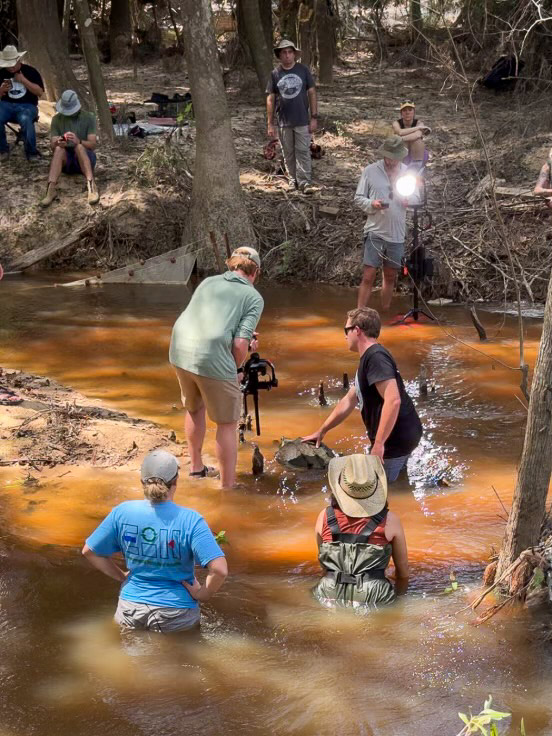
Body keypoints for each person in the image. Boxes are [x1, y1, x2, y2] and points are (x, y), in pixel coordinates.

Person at [82, 450, 228, 633]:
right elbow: (219, 570)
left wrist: (122, 576)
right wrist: (202, 594)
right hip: (176, 612)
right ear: (176, 481)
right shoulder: (191, 520)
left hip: (130, 608)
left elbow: (90, 551)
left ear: (142, 481)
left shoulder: (122, 512)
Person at [169, 247, 264, 489]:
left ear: (230, 265)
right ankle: (227, 487)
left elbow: (207, 319)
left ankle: (196, 469)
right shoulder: (253, 297)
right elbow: (241, 344)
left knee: (194, 407)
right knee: (227, 422)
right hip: (210, 355)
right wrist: (236, 368)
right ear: (256, 272)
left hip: (180, 348)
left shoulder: (208, 282)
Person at [303, 307, 422, 482]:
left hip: (394, 441)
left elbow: (393, 400)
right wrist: (322, 431)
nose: (345, 336)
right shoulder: (369, 359)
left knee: (378, 496)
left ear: (357, 330)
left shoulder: (375, 358)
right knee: (398, 489)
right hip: (403, 435)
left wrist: (379, 444)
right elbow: (349, 400)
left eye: (346, 330)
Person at [313, 453, 409, 609]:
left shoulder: (324, 516)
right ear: (377, 486)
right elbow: (403, 572)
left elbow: (324, 566)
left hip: (328, 591)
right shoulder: (390, 520)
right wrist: (400, 598)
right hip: (374, 595)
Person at [354, 135, 416, 311]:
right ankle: (359, 312)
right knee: (368, 274)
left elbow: (416, 198)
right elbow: (358, 198)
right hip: (375, 230)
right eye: (388, 156)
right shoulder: (370, 171)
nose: (391, 161)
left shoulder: (408, 173)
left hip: (396, 233)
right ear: (383, 154)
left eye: (395, 157)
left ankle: (385, 312)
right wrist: (371, 204)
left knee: (390, 276)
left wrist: (408, 201)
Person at [266, 39, 319, 195]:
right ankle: (292, 180)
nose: (287, 55)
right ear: (280, 55)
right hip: (283, 121)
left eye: (290, 52)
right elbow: (270, 98)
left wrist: (314, 117)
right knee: (288, 152)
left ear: (294, 54)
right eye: (284, 52)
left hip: (302, 119)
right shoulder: (275, 74)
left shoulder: (303, 70)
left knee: (302, 150)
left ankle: (304, 182)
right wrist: (270, 123)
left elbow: (312, 92)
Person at [40, 90, 99, 207]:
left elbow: (93, 144)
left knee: (79, 147)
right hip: (66, 161)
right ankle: (51, 189)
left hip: (85, 158)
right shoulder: (57, 119)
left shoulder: (89, 117)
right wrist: (60, 141)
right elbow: (53, 145)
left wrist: (79, 141)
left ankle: (91, 185)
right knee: (58, 150)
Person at [0, 44, 44, 162]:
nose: (9, 68)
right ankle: (2, 150)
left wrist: (24, 81)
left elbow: (39, 92)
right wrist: (1, 91)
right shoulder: (1, 73)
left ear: (18, 60)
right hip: (6, 105)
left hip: (27, 105)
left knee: (26, 119)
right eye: (7, 65)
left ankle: (31, 152)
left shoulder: (30, 71)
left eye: (12, 65)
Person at [391, 100, 430, 169]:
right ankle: (400, 167)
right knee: (403, 143)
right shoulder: (396, 123)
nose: (407, 112)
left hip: (417, 153)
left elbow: (417, 135)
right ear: (401, 113)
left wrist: (400, 138)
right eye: (404, 110)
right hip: (401, 154)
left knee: (417, 140)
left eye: (410, 110)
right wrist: (418, 128)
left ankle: (416, 167)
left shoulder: (419, 123)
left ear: (414, 112)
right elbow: (400, 132)